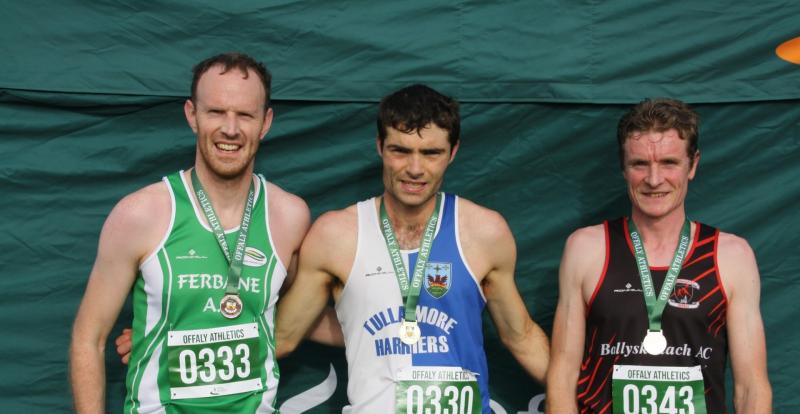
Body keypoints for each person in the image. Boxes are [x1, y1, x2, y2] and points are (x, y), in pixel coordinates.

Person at [274, 84, 550, 413]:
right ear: (379, 147)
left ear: (453, 151)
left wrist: (583, 397)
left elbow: (520, 336)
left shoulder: (484, 232)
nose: (415, 169)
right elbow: (284, 335)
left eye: (431, 153)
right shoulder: (336, 235)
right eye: (400, 151)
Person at [69, 52, 311, 413]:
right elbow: (88, 339)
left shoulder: (290, 216)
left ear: (266, 122)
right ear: (191, 115)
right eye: (216, 111)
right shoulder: (140, 214)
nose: (230, 128)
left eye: (245, 114)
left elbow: (297, 309)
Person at [546, 98, 772, 413]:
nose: (654, 180)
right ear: (623, 167)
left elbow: (751, 388)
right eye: (640, 164)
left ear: (692, 165)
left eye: (669, 163)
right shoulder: (586, 248)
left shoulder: (731, 255)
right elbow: (562, 375)